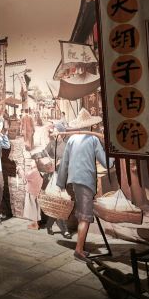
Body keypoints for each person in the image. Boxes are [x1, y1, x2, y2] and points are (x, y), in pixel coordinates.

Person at [56, 108, 114, 263]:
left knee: (83, 214)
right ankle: (79, 251)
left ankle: (80, 248)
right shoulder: (93, 139)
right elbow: (106, 163)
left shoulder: (72, 140)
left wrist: (60, 182)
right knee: (85, 217)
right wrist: (113, 155)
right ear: (90, 125)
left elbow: (64, 163)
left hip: (74, 180)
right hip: (86, 181)